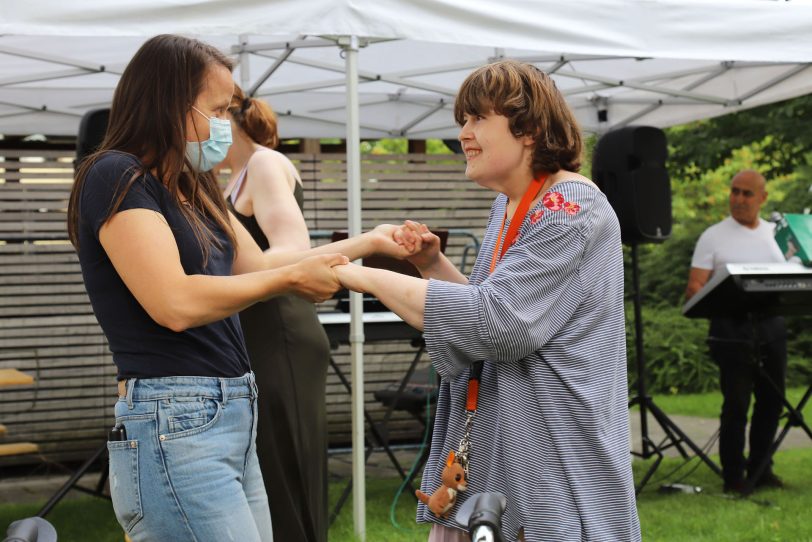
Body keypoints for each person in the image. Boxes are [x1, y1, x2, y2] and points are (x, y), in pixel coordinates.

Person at [67, 34, 410, 542]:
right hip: (173, 416)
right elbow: (174, 303)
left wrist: (370, 241)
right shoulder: (115, 176)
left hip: (231, 409)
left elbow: (263, 264)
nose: (227, 124)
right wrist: (291, 278)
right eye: (218, 110)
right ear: (170, 102)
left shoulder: (194, 184)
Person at [335, 60, 640, 541]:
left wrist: (361, 275)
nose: (464, 133)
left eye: (478, 118)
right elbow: (486, 311)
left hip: (553, 464)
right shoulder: (511, 202)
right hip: (505, 461)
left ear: (530, 130)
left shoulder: (569, 206)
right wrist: (433, 267)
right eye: (463, 119)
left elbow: (499, 324)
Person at [216, 86, 330, 542]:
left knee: (287, 472)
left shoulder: (264, 163)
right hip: (253, 333)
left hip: (280, 331)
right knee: (266, 472)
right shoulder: (233, 177)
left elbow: (293, 249)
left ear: (228, 120)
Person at [685, 169, 787, 494]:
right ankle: (734, 476)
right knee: (737, 404)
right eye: (734, 191)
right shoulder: (713, 236)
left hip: (772, 328)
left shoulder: (777, 234)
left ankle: (761, 468)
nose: (738, 199)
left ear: (763, 198)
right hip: (731, 332)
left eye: (747, 193)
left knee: (772, 402)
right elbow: (694, 288)